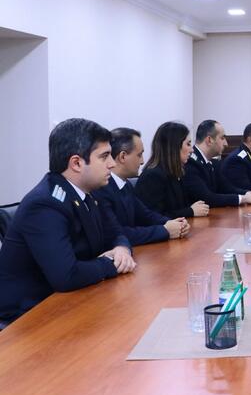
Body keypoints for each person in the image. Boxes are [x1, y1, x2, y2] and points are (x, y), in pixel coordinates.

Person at [0, 118, 135, 324]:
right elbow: (67, 275)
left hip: (68, 301)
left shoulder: (90, 192)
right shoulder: (45, 204)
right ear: (77, 163)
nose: (112, 164)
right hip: (27, 317)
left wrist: (121, 250)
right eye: (104, 156)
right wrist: (111, 264)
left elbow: (117, 233)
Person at [95, 127, 190, 246]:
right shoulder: (102, 188)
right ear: (123, 157)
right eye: (139, 155)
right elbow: (117, 233)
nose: (142, 161)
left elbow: (146, 215)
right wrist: (165, 230)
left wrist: (174, 223)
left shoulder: (126, 185)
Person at [135, 122, 210, 219]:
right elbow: (153, 217)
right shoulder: (153, 176)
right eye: (188, 144)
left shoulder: (177, 172)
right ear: (174, 146)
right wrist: (190, 211)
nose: (192, 150)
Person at [184, 120, 251, 207]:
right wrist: (243, 198)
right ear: (209, 140)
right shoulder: (191, 162)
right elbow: (206, 198)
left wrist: (249, 194)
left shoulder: (213, 162)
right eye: (222, 138)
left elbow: (226, 188)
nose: (226, 143)